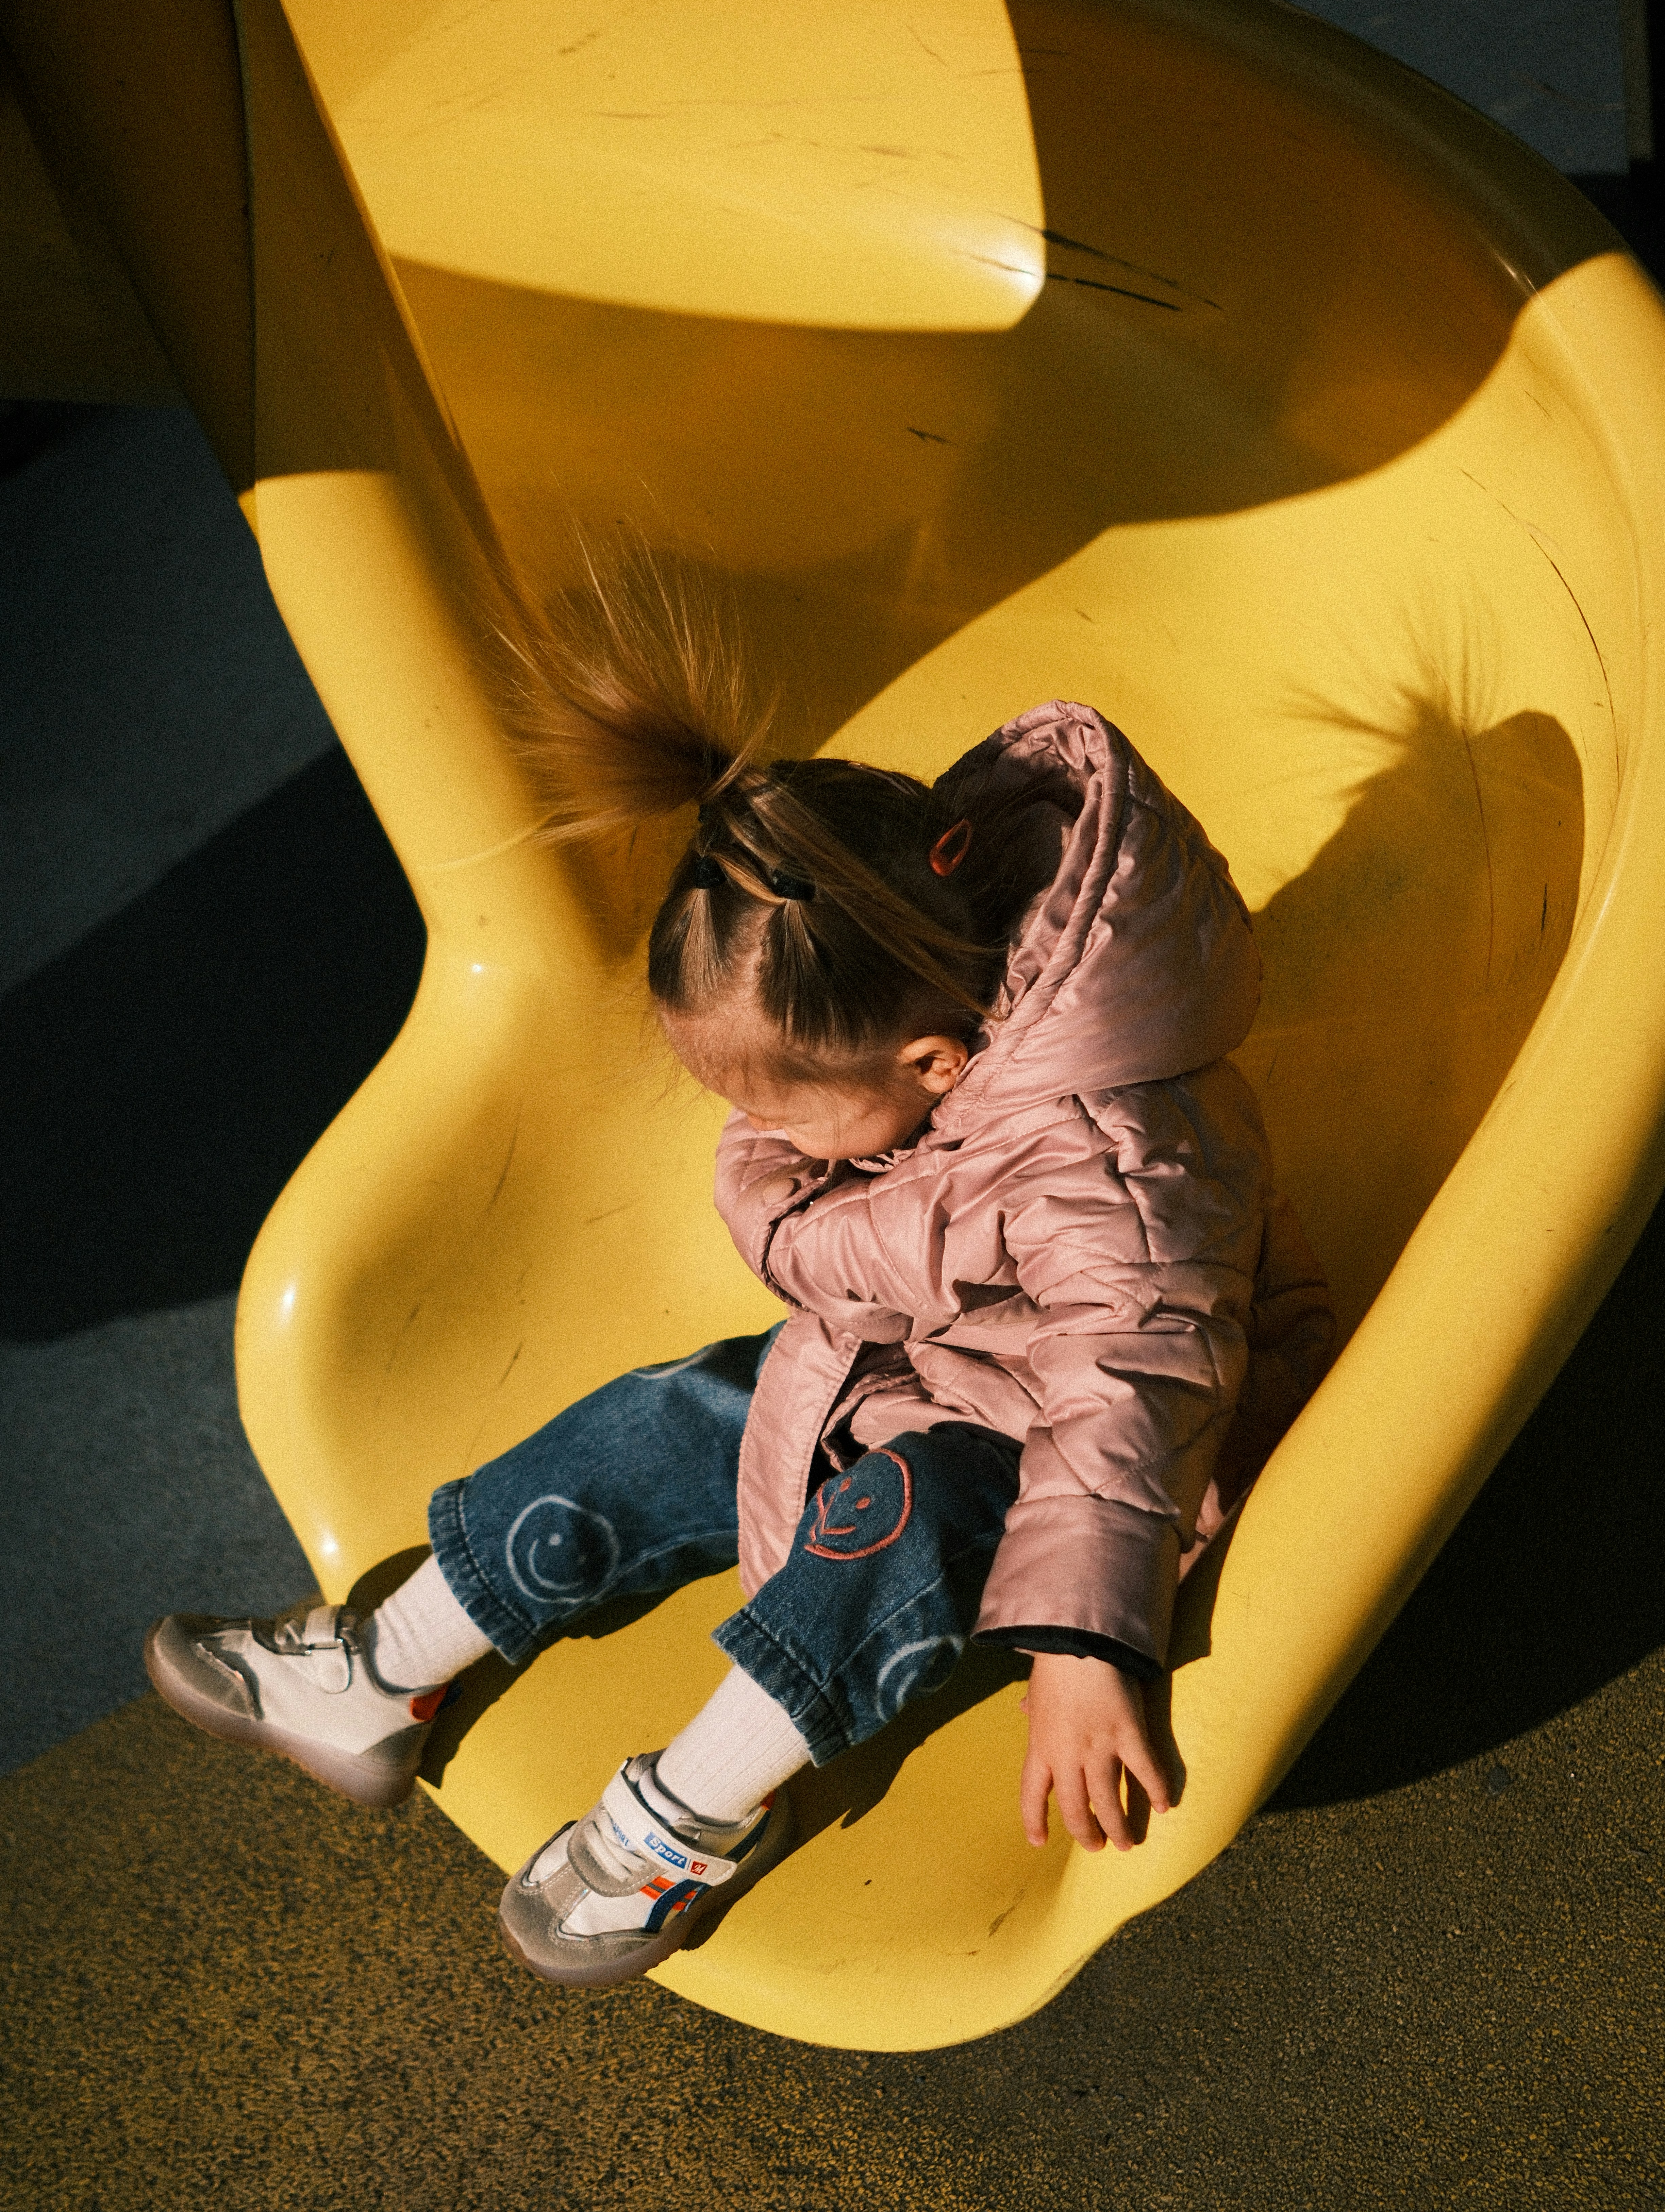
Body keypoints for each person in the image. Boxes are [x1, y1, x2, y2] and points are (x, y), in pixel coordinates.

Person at [147, 590, 1333, 1990]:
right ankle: (384, 1667)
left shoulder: (1114, 1161)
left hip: (1094, 1463)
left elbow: (1132, 1382)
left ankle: (690, 1812)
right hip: (935, 1363)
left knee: (896, 1520)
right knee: (697, 1406)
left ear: (936, 1070)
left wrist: (1087, 1635)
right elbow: (897, 1228)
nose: (761, 1139)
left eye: (780, 1113)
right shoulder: (883, 931)